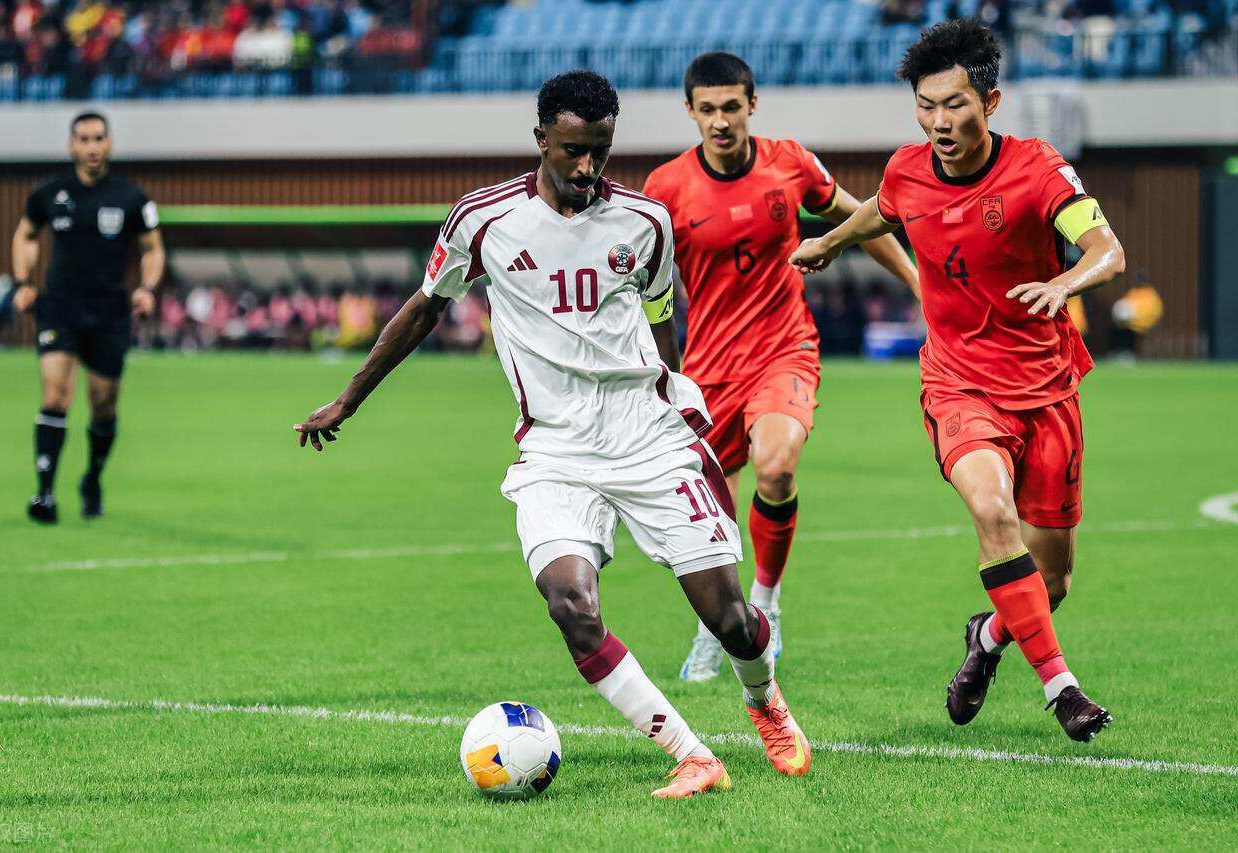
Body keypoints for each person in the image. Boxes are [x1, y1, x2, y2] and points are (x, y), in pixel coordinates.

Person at [295, 71, 811, 798]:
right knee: (572, 605)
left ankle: (764, 700)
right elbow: (425, 307)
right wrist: (348, 400)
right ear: (541, 139)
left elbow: (663, 319)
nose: (587, 166)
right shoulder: (483, 220)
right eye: (573, 149)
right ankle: (692, 755)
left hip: (648, 439)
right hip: (555, 452)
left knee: (732, 621)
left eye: (600, 150)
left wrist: (673, 398)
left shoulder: (645, 222)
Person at [790, 21, 1125, 742]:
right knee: (991, 507)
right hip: (959, 385)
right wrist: (831, 241)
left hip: (1047, 389)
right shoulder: (907, 170)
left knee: (1052, 580)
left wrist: (1065, 282)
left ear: (990, 102)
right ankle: (1063, 688)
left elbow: (1108, 249)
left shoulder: (1038, 168)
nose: (939, 121)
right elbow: (883, 210)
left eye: (954, 104)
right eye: (926, 105)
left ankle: (989, 638)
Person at [642, 52, 919, 681]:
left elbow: (862, 218)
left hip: (783, 348)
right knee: (707, 516)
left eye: (730, 107)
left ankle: (766, 602)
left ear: (752, 105)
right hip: (706, 367)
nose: (720, 121)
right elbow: (634, 278)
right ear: (690, 111)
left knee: (776, 465)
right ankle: (719, 623)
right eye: (707, 110)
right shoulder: (665, 188)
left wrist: (917, 283)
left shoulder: (790, 163)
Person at [11, 111, 164, 523]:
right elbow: (26, 235)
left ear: (109, 144)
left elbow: (152, 249)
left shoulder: (131, 198)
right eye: (84, 139)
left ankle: (93, 478)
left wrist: (147, 289)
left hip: (109, 314)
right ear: (71, 145)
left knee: (103, 406)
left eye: (98, 138)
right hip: (59, 308)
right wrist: (22, 281)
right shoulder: (49, 193)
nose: (92, 147)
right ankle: (44, 493)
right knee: (55, 395)